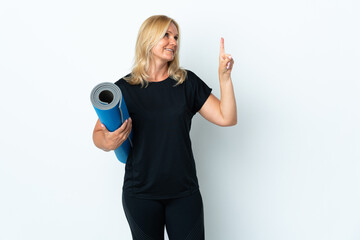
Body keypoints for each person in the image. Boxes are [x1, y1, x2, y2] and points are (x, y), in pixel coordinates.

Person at [92, 15, 236, 240]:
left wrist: (224, 78)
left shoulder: (186, 83)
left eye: (176, 37)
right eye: (166, 35)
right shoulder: (124, 89)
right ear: (148, 40)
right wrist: (107, 142)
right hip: (140, 194)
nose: (174, 42)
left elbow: (227, 117)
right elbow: (98, 135)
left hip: (183, 193)